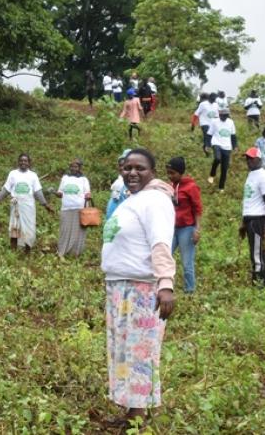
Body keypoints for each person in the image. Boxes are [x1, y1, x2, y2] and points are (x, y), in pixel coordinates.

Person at [100, 149, 176, 429]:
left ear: (152, 172)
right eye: (127, 167)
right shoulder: (134, 199)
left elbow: (160, 244)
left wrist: (165, 284)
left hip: (142, 289)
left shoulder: (155, 200)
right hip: (121, 286)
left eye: (140, 168)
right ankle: (131, 411)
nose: (132, 172)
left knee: (141, 353)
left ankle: (137, 419)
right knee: (125, 352)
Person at [0, 153, 54, 253]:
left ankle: (27, 251)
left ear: (29, 163)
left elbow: (38, 192)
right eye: (21, 160)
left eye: (25, 161)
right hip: (16, 206)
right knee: (14, 228)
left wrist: (46, 205)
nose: (23, 162)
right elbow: (6, 189)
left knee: (29, 228)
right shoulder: (13, 174)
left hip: (28, 206)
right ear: (18, 162)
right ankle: (13, 251)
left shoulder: (33, 176)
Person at [165, 157, 202, 294]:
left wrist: (197, 229)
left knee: (187, 262)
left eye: (173, 173)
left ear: (181, 172)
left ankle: (190, 291)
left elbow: (197, 209)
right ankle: (165, 287)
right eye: (168, 173)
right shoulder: (170, 186)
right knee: (165, 256)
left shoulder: (191, 187)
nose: (170, 176)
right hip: (171, 228)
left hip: (186, 228)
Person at [239, 147, 265, 287]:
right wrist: (243, 222)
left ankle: (260, 283)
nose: (248, 161)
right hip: (249, 218)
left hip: (257, 219)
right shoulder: (251, 175)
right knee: (256, 251)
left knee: (257, 252)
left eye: (251, 158)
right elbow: (248, 200)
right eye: (247, 158)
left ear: (258, 159)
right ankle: (262, 280)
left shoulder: (263, 176)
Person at [55, 158, 91, 257]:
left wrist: (88, 196)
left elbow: (87, 192)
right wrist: (56, 193)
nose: (73, 168)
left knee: (78, 231)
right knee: (65, 229)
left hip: (79, 208)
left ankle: (75, 253)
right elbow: (61, 192)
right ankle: (62, 251)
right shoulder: (65, 178)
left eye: (76, 166)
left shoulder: (83, 179)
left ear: (79, 168)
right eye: (72, 166)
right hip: (66, 207)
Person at [207, 108, 237, 192]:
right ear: (219, 115)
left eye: (226, 116)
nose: (224, 117)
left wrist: (235, 146)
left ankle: (221, 187)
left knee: (224, 168)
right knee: (217, 158)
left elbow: (233, 135)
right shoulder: (214, 121)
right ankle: (212, 174)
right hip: (216, 143)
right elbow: (209, 134)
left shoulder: (230, 122)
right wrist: (208, 145)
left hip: (227, 146)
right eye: (223, 115)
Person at [106, 149, 131, 220]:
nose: (122, 168)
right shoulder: (118, 182)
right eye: (120, 165)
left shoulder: (133, 185)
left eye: (125, 165)